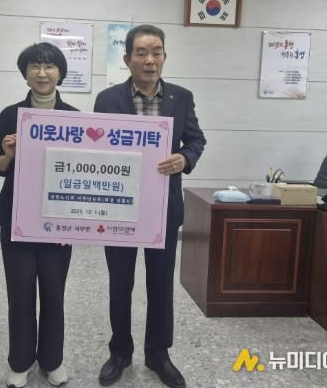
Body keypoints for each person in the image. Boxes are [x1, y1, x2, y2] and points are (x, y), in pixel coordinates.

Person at [94, 25, 206, 388]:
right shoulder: (107, 99)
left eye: (156, 52)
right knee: (120, 283)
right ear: (127, 59)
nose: (149, 60)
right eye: (141, 53)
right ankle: (120, 352)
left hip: (162, 207)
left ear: (164, 57)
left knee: (160, 283)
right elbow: (95, 149)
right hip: (119, 207)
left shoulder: (181, 97)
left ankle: (159, 354)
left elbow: (196, 140)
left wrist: (184, 158)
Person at [0, 42, 78, 388]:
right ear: (25, 74)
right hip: (17, 217)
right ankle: (20, 361)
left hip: (59, 218)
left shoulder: (74, 117)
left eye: (49, 66)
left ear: (60, 73)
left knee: (54, 292)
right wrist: (8, 155)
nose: (42, 73)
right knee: (21, 292)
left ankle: (52, 360)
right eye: (35, 66)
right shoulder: (10, 116)